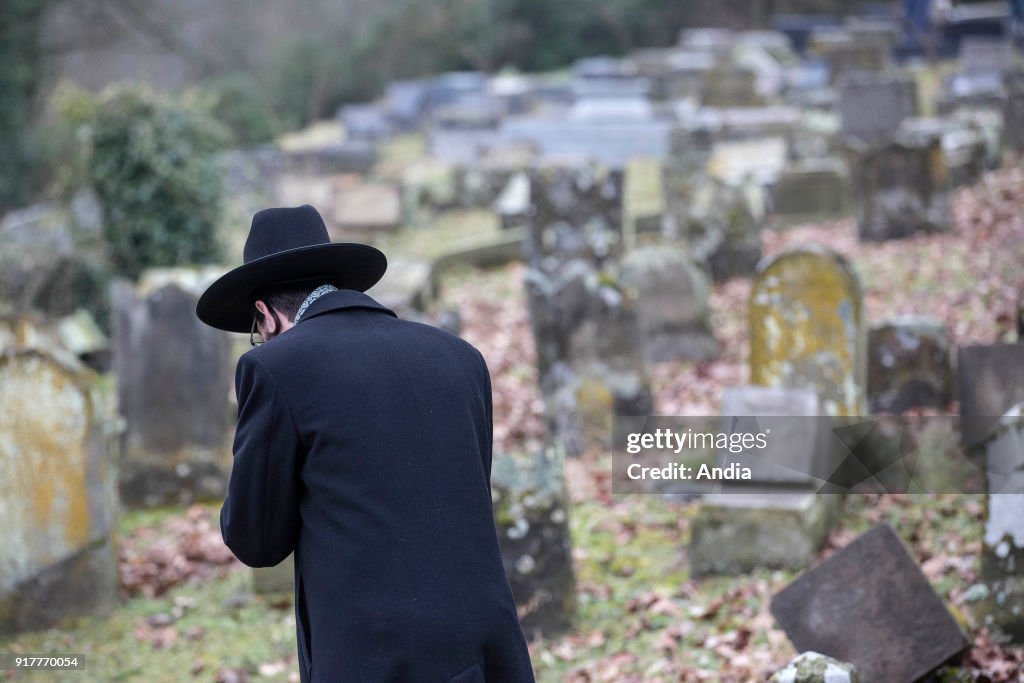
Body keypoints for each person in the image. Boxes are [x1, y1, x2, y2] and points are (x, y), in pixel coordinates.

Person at [196, 205, 535, 682]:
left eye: (256, 334)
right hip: (488, 646)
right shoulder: (459, 357)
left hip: (376, 656)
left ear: (264, 315)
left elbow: (257, 539)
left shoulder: (274, 369)